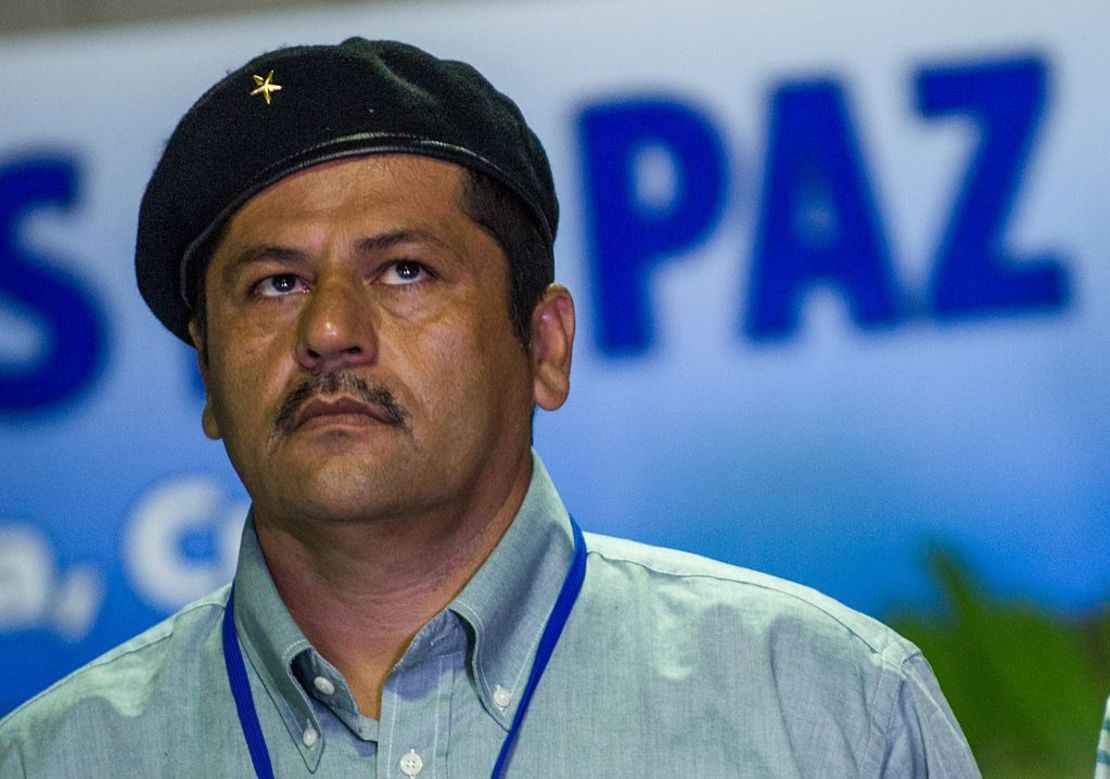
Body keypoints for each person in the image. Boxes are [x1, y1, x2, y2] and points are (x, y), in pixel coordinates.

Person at [0, 38, 979, 777]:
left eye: (405, 268)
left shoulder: (824, 705)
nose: (331, 330)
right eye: (274, 285)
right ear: (210, 380)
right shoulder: (54, 757)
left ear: (545, 346)